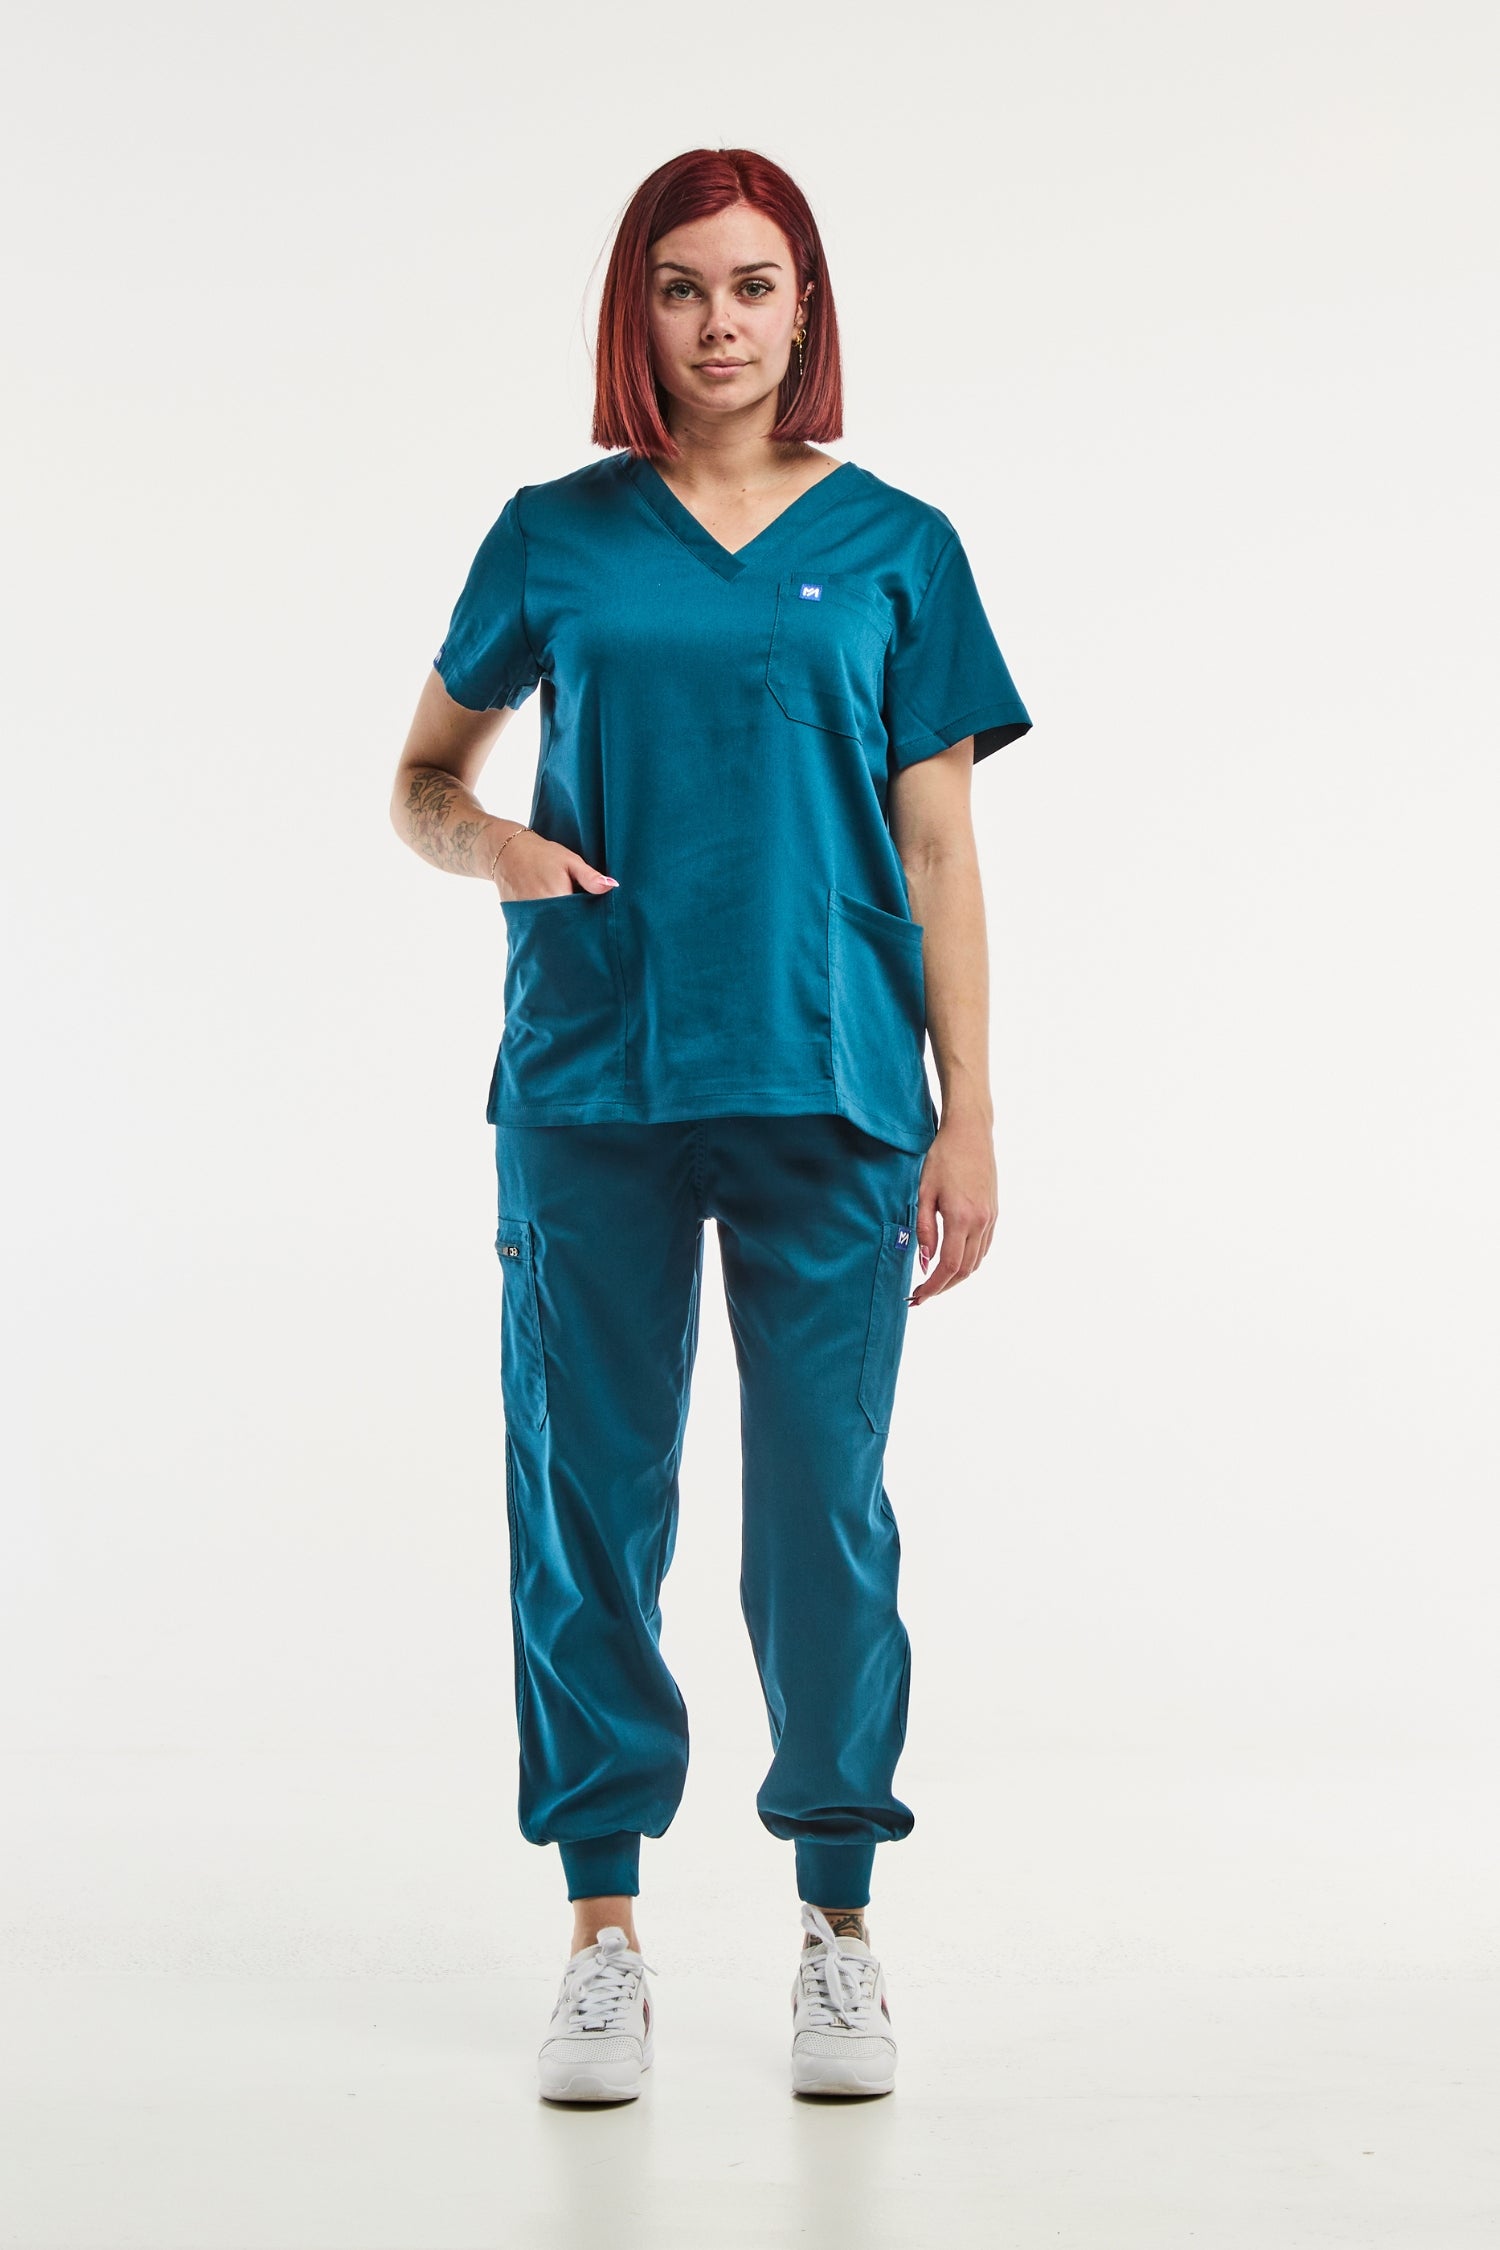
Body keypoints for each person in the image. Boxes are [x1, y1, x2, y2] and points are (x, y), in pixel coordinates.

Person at [390, 146, 1032, 2104]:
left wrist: (971, 1111)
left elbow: (940, 844)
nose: (720, 322)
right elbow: (422, 778)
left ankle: (839, 1924)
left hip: (834, 1082)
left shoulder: (900, 543)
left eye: (755, 286)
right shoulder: (554, 537)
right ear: (637, 312)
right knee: (590, 1493)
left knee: (821, 1510)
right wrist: (497, 849)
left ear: (806, 305)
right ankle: (602, 1932)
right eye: (681, 287)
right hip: (596, 1073)